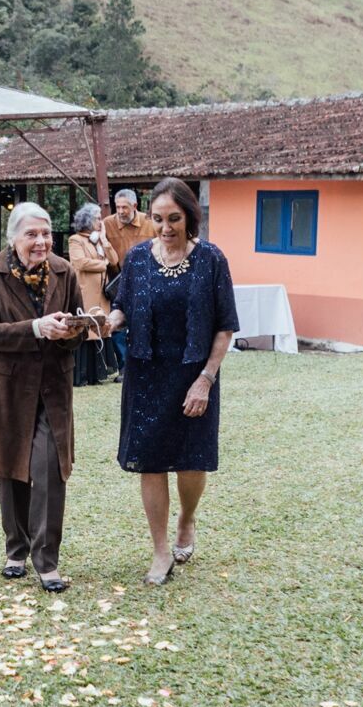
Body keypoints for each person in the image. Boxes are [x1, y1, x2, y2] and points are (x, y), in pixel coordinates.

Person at [105, 178, 239, 586]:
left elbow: (224, 327)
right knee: (150, 460)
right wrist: (108, 321)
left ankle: (187, 518)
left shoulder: (212, 259)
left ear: (190, 217)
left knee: (191, 461)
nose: (166, 227)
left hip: (193, 373)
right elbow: (123, 306)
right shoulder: (139, 258)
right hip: (146, 374)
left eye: (175, 218)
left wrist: (205, 380)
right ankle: (161, 550)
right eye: (159, 218)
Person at [0, 202, 81, 591]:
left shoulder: (65, 272)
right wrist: (34, 327)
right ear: (13, 238)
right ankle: (15, 549)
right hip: (6, 386)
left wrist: (73, 331)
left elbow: (80, 322)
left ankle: (47, 560)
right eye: (31, 234)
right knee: (11, 468)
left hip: (52, 385)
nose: (41, 241)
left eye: (46, 234)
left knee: (50, 468)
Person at [103, 189, 157, 368]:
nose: (120, 211)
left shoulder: (150, 223)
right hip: (119, 281)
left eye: (124, 207)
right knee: (117, 322)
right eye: (117, 207)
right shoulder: (107, 224)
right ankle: (125, 365)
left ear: (134, 206)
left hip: (148, 279)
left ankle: (145, 360)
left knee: (145, 320)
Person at [68, 201, 118, 387]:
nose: (100, 221)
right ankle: (81, 375)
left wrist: (104, 240)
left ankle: (96, 374)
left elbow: (114, 260)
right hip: (86, 292)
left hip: (102, 295)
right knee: (86, 331)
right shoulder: (75, 240)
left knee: (99, 331)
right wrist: (102, 264)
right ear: (88, 220)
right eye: (97, 218)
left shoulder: (98, 240)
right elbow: (80, 262)